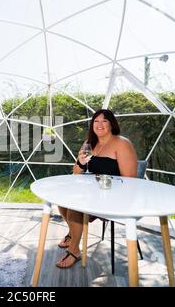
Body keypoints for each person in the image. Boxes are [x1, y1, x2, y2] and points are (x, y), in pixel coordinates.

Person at [56, 109, 137, 268]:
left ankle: (74, 251)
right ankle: (73, 234)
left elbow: (130, 181)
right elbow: (76, 172)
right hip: (95, 193)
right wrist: (81, 162)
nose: (99, 125)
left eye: (104, 121)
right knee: (62, 202)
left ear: (111, 124)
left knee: (75, 207)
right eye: (96, 121)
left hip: (116, 197)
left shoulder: (121, 143)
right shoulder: (89, 143)